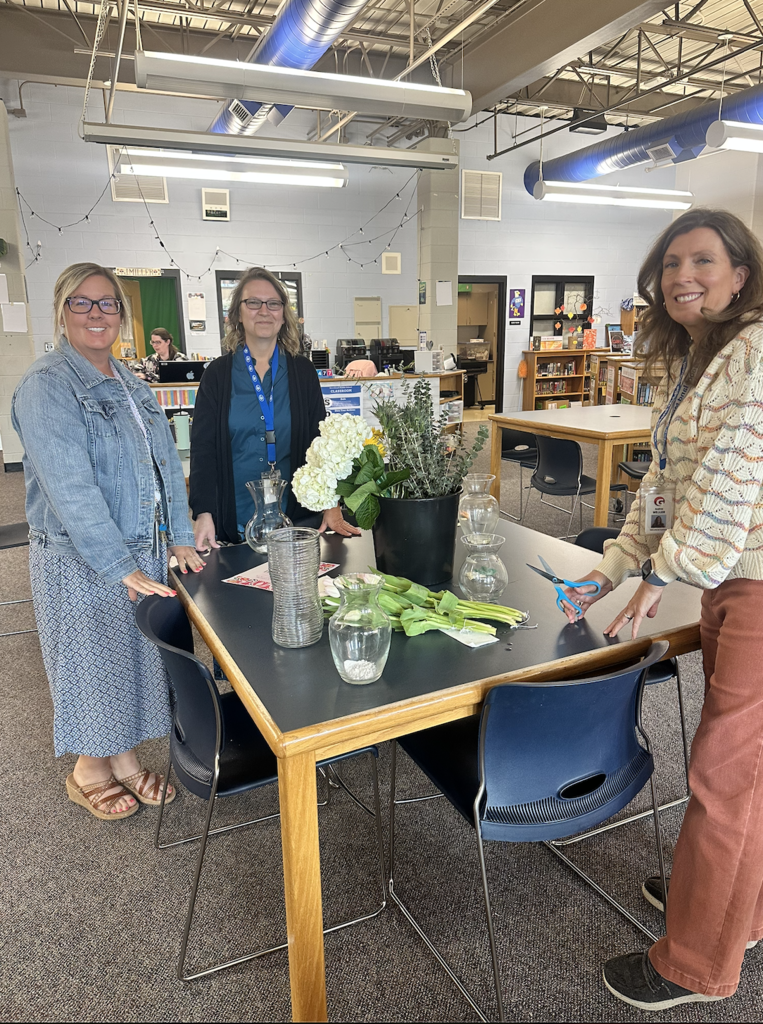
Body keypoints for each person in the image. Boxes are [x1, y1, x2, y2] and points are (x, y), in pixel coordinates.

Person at [561, 208, 763, 1009]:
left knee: (721, 776)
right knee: (746, 772)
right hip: (731, 581)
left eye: (703, 261)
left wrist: (659, 577)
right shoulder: (702, 358)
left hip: (753, 584)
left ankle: (695, 963)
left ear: (739, 275)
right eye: (671, 263)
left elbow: (725, 483)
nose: (684, 274)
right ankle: (734, 908)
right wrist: (613, 565)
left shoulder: (753, 352)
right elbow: (663, 485)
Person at [12, 263, 206, 821]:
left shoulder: (130, 381)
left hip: (137, 550)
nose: (96, 313)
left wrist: (176, 536)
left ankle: (121, 759)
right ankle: (88, 771)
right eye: (82, 302)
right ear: (61, 310)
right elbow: (69, 487)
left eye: (107, 304)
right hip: (81, 557)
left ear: (122, 314)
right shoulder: (49, 385)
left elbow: (166, 463)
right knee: (90, 660)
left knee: (130, 656)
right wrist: (118, 564)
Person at [190, 267, 360, 549]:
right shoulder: (217, 376)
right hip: (235, 524)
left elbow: (320, 445)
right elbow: (203, 449)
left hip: (298, 522)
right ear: (237, 314)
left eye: (273, 303)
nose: (264, 311)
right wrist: (203, 512)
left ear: (283, 315)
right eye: (253, 302)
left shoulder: (302, 372)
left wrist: (331, 504)